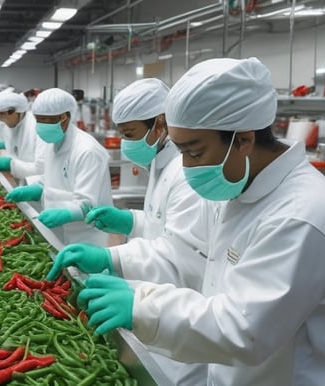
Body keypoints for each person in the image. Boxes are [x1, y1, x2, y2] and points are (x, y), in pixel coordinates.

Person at [72, 58, 325, 385]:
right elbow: (189, 258)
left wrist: (142, 308)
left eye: (194, 152)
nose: (186, 166)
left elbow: (244, 328)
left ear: (244, 140)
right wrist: (121, 270)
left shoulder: (301, 216)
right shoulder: (237, 187)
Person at [47, 78, 208, 385]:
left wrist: (111, 256)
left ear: (160, 124)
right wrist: (131, 222)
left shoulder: (185, 174)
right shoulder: (162, 164)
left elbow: (180, 253)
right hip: (160, 306)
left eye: (129, 134)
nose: (124, 142)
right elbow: (163, 225)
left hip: (178, 311)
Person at [5, 88, 112, 246]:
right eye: (38, 119)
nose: (41, 125)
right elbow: (51, 179)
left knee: (81, 270)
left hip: (85, 236)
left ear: (64, 117)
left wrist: (66, 213)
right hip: (57, 231)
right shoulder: (53, 143)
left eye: (46, 120)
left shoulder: (88, 151)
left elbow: (89, 203)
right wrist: (37, 188)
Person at [0, 89, 45, 184]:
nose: (0, 119)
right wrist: (5, 156)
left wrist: (10, 164)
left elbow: (42, 167)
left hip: (38, 186)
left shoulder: (36, 127)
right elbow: (14, 154)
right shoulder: (8, 126)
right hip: (20, 182)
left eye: (2, 114)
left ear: (15, 111)